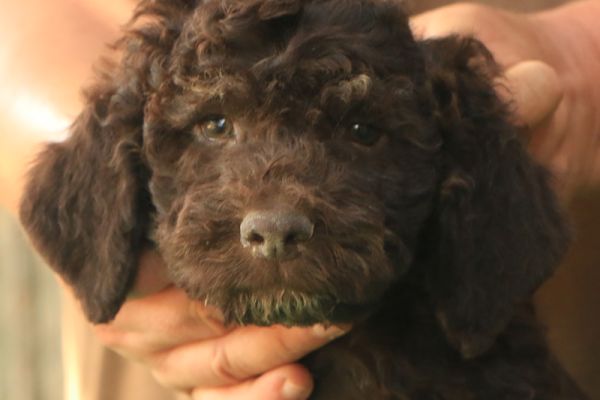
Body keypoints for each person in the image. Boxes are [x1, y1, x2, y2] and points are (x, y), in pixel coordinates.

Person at [2, 1, 598, 400]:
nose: (274, 217)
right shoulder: (128, 139)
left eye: (361, 132)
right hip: (167, 343)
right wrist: (84, 178)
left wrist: (575, 49)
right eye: (215, 127)